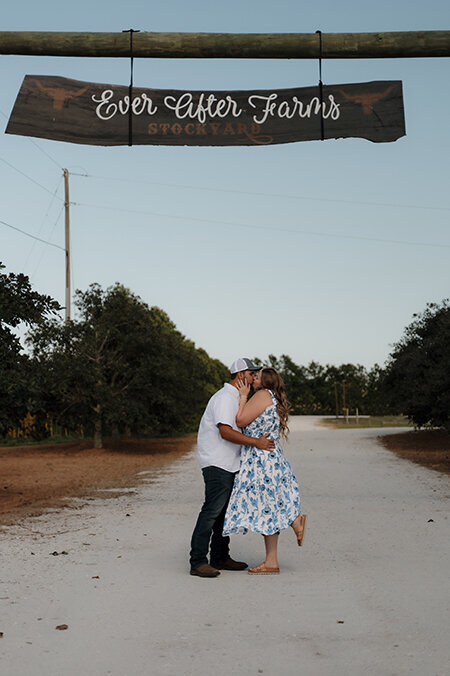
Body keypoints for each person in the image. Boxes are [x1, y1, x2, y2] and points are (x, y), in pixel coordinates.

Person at [189, 358, 276, 578]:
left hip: (229, 463)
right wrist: (257, 442)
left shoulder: (235, 398)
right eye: (251, 374)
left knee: (223, 514)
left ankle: (220, 557)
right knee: (211, 512)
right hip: (217, 463)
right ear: (240, 376)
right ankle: (198, 561)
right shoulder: (224, 398)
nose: (254, 378)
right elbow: (225, 432)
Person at [222, 367, 306, 575]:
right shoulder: (271, 397)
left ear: (264, 381)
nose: (253, 379)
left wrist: (242, 397)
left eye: (256, 376)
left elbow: (240, 421)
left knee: (267, 507)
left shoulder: (261, 395)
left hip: (261, 461)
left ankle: (295, 520)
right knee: (267, 510)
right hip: (268, 459)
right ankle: (271, 561)